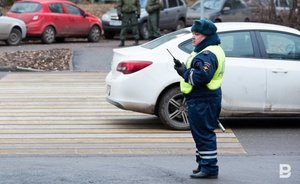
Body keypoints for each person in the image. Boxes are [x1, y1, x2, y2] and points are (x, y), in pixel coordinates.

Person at [173, 19, 225, 179]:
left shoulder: (207, 54)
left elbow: (202, 77)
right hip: (203, 98)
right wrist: (185, 68)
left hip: (204, 99)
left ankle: (209, 168)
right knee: (200, 132)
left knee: (203, 133)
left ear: (207, 36)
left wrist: (183, 72)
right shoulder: (207, 50)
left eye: (197, 34)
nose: (193, 37)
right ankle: (203, 164)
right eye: (193, 33)